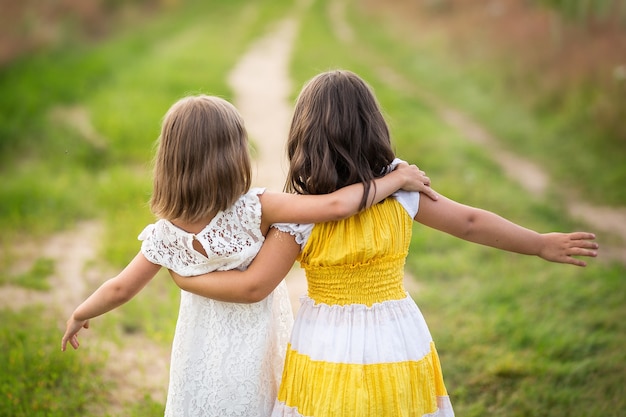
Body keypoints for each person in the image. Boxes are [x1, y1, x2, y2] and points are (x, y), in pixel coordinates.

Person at [169, 71, 599, 417]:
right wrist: (538, 242)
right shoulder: (402, 187)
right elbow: (469, 222)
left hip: (324, 344)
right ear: (372, 126)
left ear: (303, 137)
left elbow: (253, 286)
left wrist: (188, 280)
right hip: (396, 334)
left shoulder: (300, 212)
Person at [60, 94, 437, 417]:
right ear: (234, 155)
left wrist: (81, 312)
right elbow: (338, 205)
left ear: (169, 162)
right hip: (254, 353)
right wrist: (395, 180)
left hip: (198, 357)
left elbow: (120, 289)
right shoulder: (254, 209)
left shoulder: (164, 235)